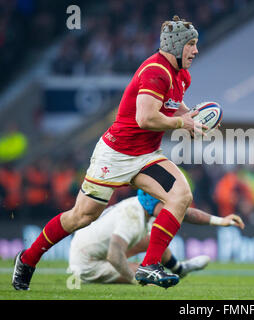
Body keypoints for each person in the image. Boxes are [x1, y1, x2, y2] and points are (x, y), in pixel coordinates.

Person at [13, 15, 209, 290]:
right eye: (191, 44)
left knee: (181, 195)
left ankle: (149, 265)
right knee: (81, 216)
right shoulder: (155, 71)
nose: (196, 50)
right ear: (176, 46)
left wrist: (190, 117)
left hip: (145, 157)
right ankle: (28, 258)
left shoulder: (181, 74)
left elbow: (172, 103)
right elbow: (145, 118)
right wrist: (181, 122)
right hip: (116, 155)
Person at [68, 190, 245, 284]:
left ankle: (179, 268)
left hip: (95, 248)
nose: (172, 208)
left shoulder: (142, 208)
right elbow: (114, 255)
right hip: (87, 263)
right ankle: (173, 270)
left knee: (154, 237)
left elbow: (185, 213)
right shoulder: (132, 218)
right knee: (146, 275)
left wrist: (220, 221)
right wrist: (134, 278)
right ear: (155, 203)